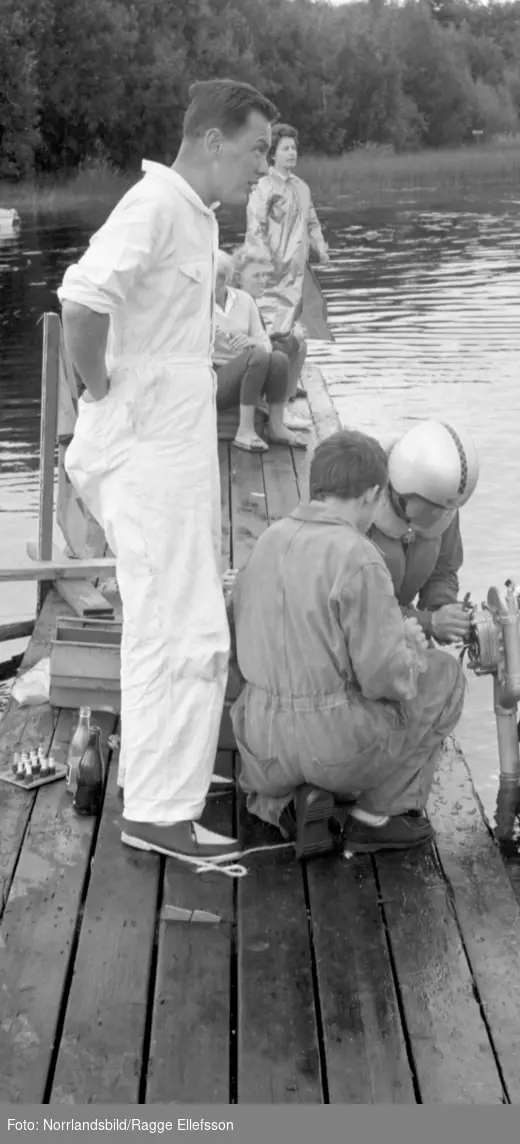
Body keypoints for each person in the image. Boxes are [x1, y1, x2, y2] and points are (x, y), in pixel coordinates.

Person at [58, 79, 277, 865]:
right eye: (256, 149)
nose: (263, 166)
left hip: (173, 450)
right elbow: (81, 301)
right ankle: (156, 812)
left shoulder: (195, 216)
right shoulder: (154, 205)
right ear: (214, 141)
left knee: (186, 620)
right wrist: (100, 389)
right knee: (173, 625)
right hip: (146, 451)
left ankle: (167, 787)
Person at [230, 429, 466, 856]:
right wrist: (410, 649)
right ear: (371, 495)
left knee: (290, 712)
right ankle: (377, 816)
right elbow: (384, 679)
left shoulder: (264, 543)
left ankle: (283, 804)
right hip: (332, 751)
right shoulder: (358, 556)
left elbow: (239, 648)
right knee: (445, 677)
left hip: (261, 750)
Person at [369, 420, 480, 646]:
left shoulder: (444, 509)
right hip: (363, 630)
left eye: (446, 511)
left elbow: (444, 571)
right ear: (402, 488)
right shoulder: (362, 511)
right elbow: (362, 608)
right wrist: (429, 622)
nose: (438, 519)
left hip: (406, 623)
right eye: (430, 509)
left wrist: (444, 610)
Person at [244, 123, 329, 413]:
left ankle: (289, 387)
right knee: (273, 331)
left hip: (296, 272)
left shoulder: (301, 187)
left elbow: (312, 221)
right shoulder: (263, 187)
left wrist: (321, 246)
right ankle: (267, 395)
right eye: (286, 148)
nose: (292, 152)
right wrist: (260, 265)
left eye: (294, 147)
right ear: (273, 155)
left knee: (297, 330)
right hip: (272, 273)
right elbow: (255, 228)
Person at [213, 249, 306, 452]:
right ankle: (244, 431)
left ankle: (276, 426)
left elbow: (265, 344)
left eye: (219, 277)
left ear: (225, 277)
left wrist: (249, 341)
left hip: (251, 368)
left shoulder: (244, 300)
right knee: (259, 356)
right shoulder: (197, 307)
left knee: (278, 358)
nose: (215, 282)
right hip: (215, 377)